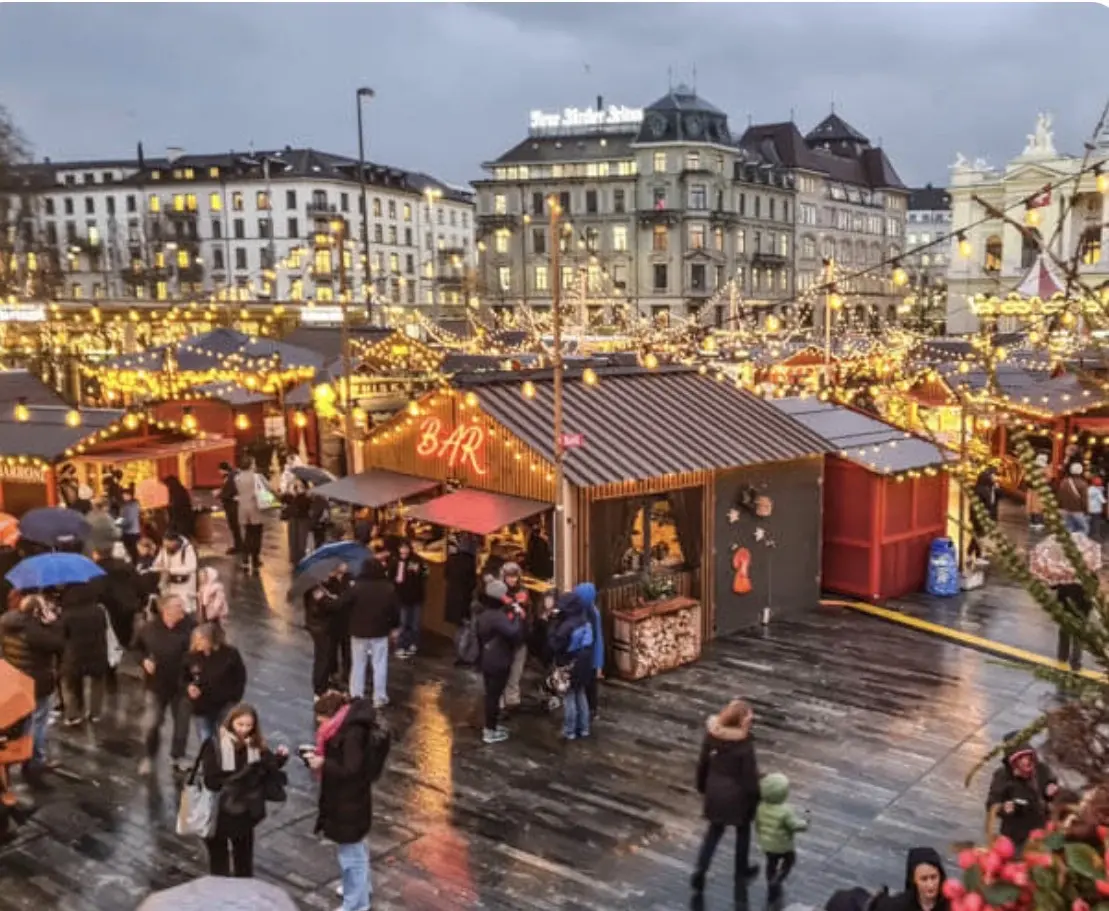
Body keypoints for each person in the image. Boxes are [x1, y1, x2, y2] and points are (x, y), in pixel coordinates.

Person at [310, 693, 386, 911]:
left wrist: (323, 763)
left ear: (330, 715)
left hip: (348, 801)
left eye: (322, 720)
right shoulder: (349, 726)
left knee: (351, 856)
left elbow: (351, 769)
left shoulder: (351, 734)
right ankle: (361, 889)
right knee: (357, 849)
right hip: (352, 799)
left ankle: (356, 904)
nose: (320, 725)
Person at [199, 703, 288, 877]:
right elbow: (212, 781)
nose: (244, 730)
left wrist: (279, 758)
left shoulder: (255, 745)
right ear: (230, 722)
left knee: (244, 860)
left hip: (244, 811)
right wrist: (244, 769)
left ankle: (243, 888)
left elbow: (267, 766)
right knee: (219, 861)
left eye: (249, 725)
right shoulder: (215, 745)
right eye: (240, 724)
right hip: (219, 811)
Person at [691, 699, 761, 898]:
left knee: (714, 832)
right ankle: (741, 871)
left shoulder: (711, 735)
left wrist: (702, 787)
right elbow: (749, 777)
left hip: (715, 792)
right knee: (743, 831)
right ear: (741, 721)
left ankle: (700, 870)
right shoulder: (744, 745)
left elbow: (703, 764)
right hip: (738, 796)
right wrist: (756, 798)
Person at [0, 595, 64, 787]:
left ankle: (12, 760)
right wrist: (53, 623)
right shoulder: (34, 630)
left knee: (19, 724)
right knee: (37, 723)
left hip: (15, 680)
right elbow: (58, 644)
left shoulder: (6, 622)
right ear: (37, 611)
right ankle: (34, 762)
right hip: (38, 683)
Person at [135, 594, 195, 775]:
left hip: (182, 684)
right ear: (166, 610)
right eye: (178, 607)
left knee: (182, 724)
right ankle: (149, 756)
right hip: (156, 685)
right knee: (153, 723)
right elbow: (136, 648)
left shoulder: (191, 627)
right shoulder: (149, 628)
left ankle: (178, 756)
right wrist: (144, 660)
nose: (183, 610)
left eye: (182, 606)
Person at [340, 555, 400, 707]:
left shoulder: (356, 587)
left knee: (358, 664)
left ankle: (356, 695)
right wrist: (394, 627)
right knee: (379, 664)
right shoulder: (388, 588)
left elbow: (343, 604)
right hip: (380, 632)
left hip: (358, 631)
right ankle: (379, 697)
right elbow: (395, 611)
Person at [986, 732, 1059, 851]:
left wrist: (1051, 789)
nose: (1026, 762)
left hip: (1042, 829)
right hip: (1014, 835)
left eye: (1028, 757)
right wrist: (1004, 808)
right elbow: (991, 804)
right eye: (1020, 759)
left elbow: (1051, 784)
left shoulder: (1042, 769)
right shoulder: (1002, 776)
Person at [475, 580, 525, 745]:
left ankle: (492, 726)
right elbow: (514, 633)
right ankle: (490, 731)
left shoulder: (483, 614)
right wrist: (517, 615)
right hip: (499, 661)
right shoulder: (497, 617)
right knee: (494, 697)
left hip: (487, 659)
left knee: (491, 695)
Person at [185, 622, 247, 746]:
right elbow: (184, 676)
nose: (197, 643)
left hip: (225, 705)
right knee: (206, 741)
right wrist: (189, 687)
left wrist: (235, 699)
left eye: (201, 640)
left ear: (211, 640)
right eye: (195, 640)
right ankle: (209, 757)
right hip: (201, 706)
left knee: (224, 740)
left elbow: (240, 677)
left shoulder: (230, 654)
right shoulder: (191, 656)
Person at [58, 583, 109, 727]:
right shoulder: (99, 611)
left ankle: (73, 714)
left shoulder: (67, 614)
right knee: (98, 682)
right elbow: (104, 628)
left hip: (74, 655)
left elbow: (62, 635)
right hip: (97, 651)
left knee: (69, 684)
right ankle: (95, 713)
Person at [548, 588, 595, 741]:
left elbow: (555, 645)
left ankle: (570, 731)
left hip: (567, 664)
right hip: (583, 663)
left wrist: (553, 624)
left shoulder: (566, 626)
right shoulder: (585, 621)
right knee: (581, 694)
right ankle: (584, 728)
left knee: (569, 697)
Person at [754, 772, 808, 903]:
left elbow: (757, 824)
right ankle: (778, 879)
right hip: (783, 845)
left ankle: (770, 881)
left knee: (771, 863)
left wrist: (761, 836)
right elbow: (794, 825)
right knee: (790, 859)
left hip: (767, 844)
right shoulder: (785, 811)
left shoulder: (760, 807)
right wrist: (805, 824)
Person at [305, 566, 345, 698]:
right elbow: (330, 604)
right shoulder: (316, 587)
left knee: (329, 656)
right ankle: (319, 688)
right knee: (323, 657)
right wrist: (338, 599)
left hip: (329, 626)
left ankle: (328, 681)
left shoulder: (331, 582)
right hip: (320, 627)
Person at [388, 539, 427, 660]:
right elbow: (390, 578)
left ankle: (412, 644)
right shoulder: (394, 561)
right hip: (401, 597)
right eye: (402, 548)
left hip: (415, 597)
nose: (404, 550)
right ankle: (401, 646)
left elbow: (424, 575)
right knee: (403, 623)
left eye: (406, 548)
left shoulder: (416, 560)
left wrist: (417, 571)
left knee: (415, 623)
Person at [878, 847, 949, 911]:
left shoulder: (951, 905)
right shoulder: (899, 905)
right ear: (914, 880)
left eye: (934, 877)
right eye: (924, 879)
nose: (930, 884)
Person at [501, 563, 531, 709]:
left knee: (516, 672)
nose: (512, 579)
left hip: (519, 638)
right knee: (502, 671)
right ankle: (501, 701)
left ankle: (512, 700)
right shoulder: (499, 592)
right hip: (503, 639)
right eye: (509, 576)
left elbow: (527, 614)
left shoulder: (523, 592)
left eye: (514, 576)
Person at [574, 582, 604, 720]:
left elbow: (598, 639)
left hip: (587, 657)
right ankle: (589, 710)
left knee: (589, 686)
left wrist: (598, 664)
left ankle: (590, 710)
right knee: (588, 686)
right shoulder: (591, 611)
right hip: (587, 657)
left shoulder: (591, 614)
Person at [234, 458, 267, 575]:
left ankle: (245, 559)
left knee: (247, 534)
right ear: (250, 465)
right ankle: (255, 559)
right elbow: (266, 489)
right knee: (257, 534)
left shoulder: (237, 478)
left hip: (243, 508)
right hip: (256, 507)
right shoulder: (257, 477)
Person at [153, 533, 198, 613]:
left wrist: (170, 570)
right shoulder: (165, 548)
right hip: (168, 584)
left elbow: (191, 567)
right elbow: (157, 562)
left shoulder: (187, 549)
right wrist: (158, 565)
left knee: (183, 609)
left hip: (184, 585)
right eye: (165, 544)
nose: (166, 546)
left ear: (175, 542)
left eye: (168, 544)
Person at [1053, 579, 1091, 671]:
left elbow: (1056, 586)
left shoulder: (1067, 576)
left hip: (1068, 608)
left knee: (1066, 635)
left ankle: (1063, 658)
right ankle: (1075, 662)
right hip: (1080, 610)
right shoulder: (1086, 578)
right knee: (1076, 638)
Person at [968, 467, 999, 564]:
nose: (994, 478)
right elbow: (989, 504)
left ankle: (969, 555)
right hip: (980, 517)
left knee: (976, 536)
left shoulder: (980, 488)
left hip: (977, 516)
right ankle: (978, 557)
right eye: (992, 477)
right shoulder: (983, 490)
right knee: (979, 536)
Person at [282, 479, 313, 567]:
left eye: (300, 486)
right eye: (296, 485)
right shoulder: (292, 495)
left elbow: (306, 505)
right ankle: (294, 560)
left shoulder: (307, 496)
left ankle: (301, 559)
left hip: (303, 519)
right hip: (293, 518)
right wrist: (289, 492)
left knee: (301, 541)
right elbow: (284, 500)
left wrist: (300, 495)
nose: (298, 487)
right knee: (293, 540)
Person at [218, 461, 244, 557]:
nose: (219, 472)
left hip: (233, 506)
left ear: (222, 470)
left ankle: (239, 547)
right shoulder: (233, 475)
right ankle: (239, 546)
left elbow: (229, 492)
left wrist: (220, 495)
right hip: (234, 505)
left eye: (219, 470)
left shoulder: (231, 477)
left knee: (235, 527)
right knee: (235, 527)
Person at [1057, 462, 1090, 535]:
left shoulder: (1064, 482)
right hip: (1077, 510)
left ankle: (1070, 541)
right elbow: (1084, 500)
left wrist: (1059, 507)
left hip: (1065, 510)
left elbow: (1059, 496)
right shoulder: (1083, 484)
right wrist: (1086, 511)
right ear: (1081, 471)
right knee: (1084, 529)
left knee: (1068, 529)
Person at [164, 474, 195, 539]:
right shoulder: (180, 490)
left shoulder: (176, 492)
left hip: (181, 521)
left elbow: (176, 509)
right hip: (183, 519)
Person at [119, 485, 143, 563]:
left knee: (131, 551)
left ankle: (133, 565)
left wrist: (117, 524)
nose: (123, 497)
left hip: (129, 532)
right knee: (134, 551)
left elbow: (126, 519)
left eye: (125, 495)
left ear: (129, 495)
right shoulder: (135, 504)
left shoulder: (128, 506)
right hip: (135, 530)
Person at [1088, 476, 1106, 542]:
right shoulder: (1097, 491)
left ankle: (1089, 536)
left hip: (1089, 509)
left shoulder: (1089, 489)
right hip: (1096, 510)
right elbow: (1103, 501)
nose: (1101, 482)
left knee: (1090, 523)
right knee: (1096, 524)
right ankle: (1096, 536)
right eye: (1099, 481)